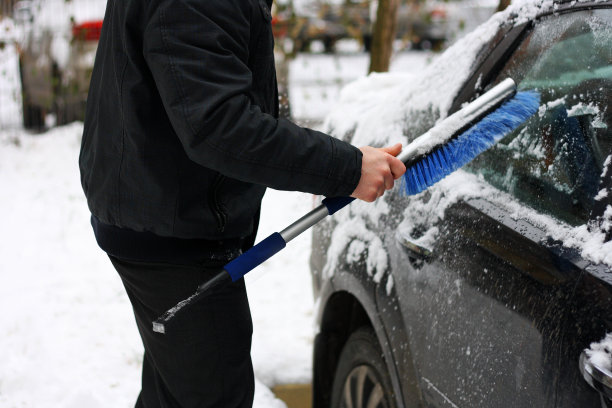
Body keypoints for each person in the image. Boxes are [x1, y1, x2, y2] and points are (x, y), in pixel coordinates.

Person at [78, 0, 406, 407]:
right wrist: (349, 168)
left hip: (159, 213)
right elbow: (220, 126)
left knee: (175, 395)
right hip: (176, 236)